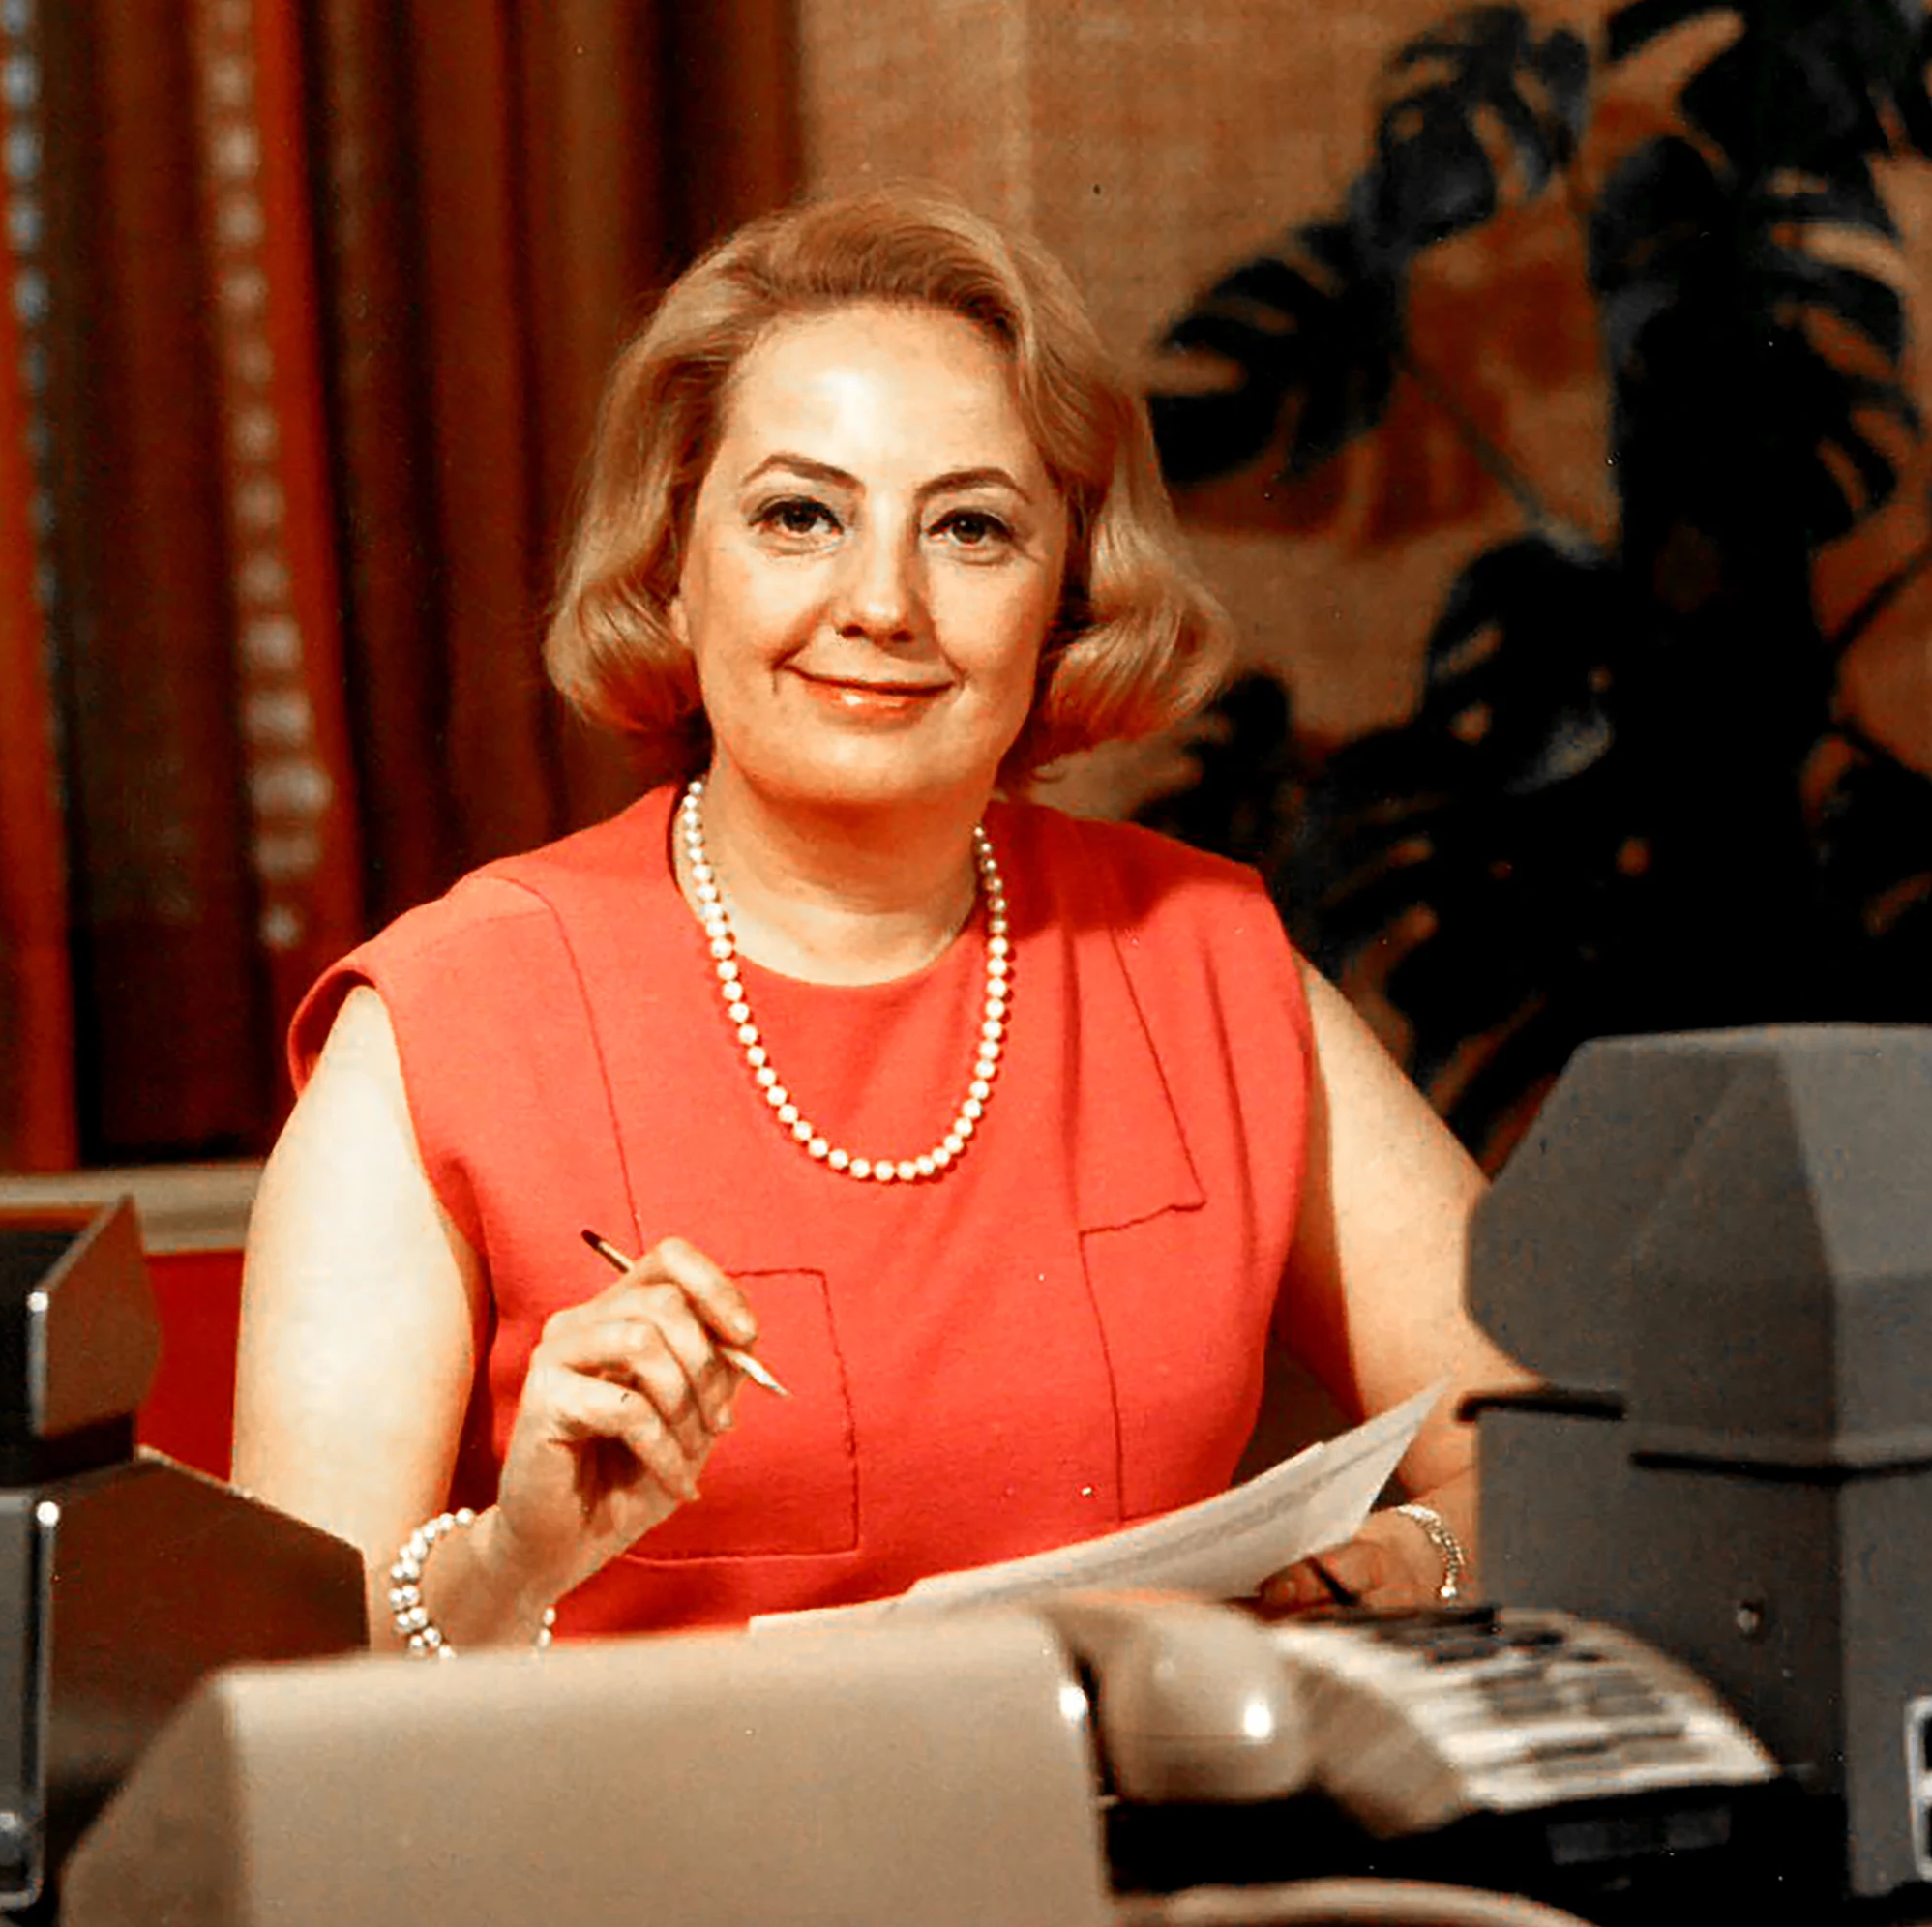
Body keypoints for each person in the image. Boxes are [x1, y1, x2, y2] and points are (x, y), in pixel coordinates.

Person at [231, 185, 1526, 1650]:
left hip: (1148, 1853)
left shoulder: (1206, 959)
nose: (883, 602)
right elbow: (281, 1678)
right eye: (799, 515)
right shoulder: (443, 1022)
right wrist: (515, 1560)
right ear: (672, 565)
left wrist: (1421, 1557)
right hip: (646, 1863)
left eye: (971, 527)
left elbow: (1549, 1440)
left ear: (1067, 597)